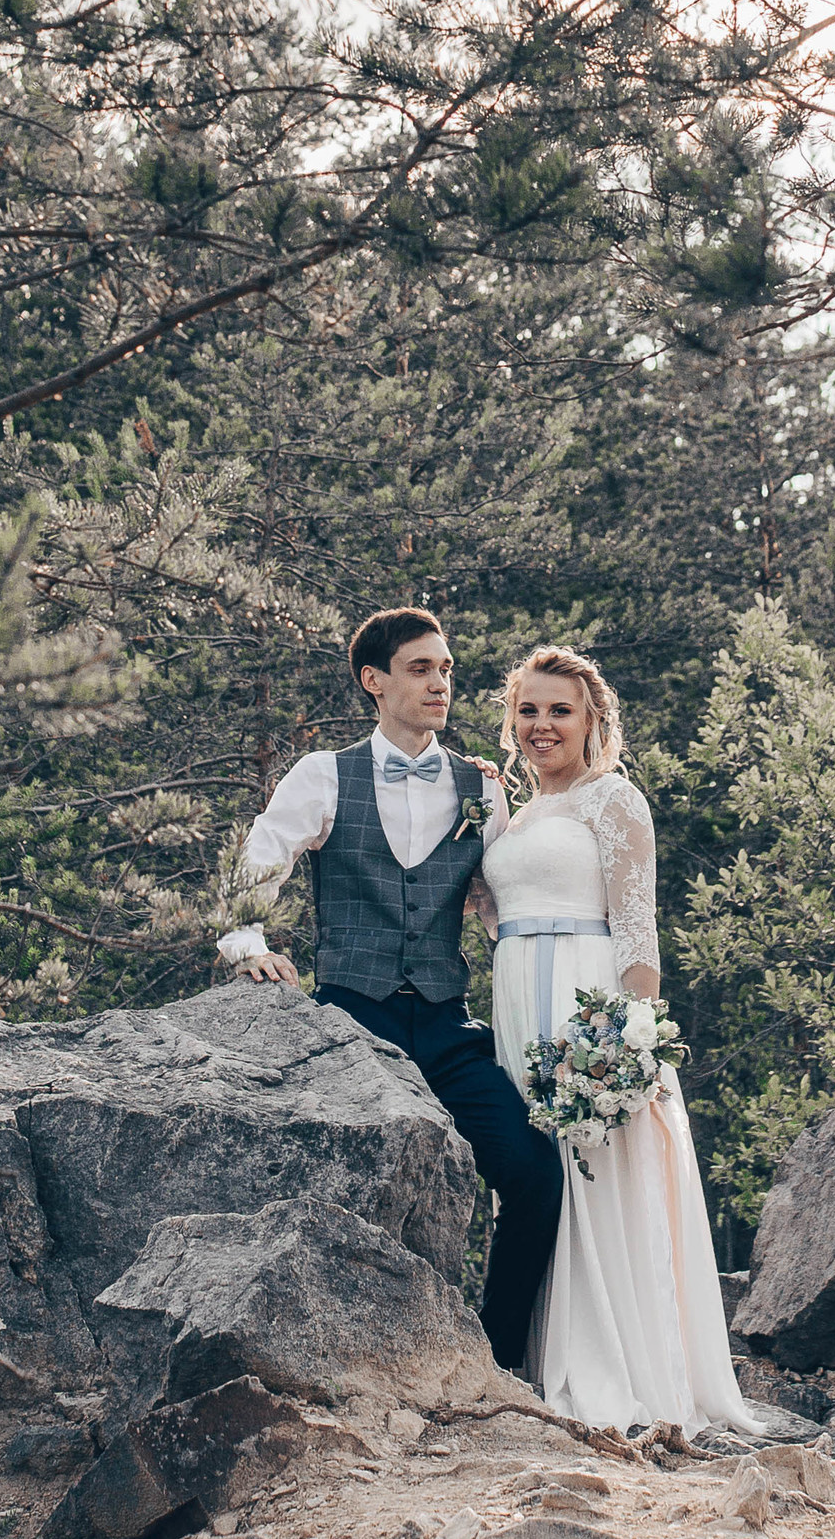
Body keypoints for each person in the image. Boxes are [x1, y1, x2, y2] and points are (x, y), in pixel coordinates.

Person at [217, 606, 566, 1371]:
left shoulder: (482, 788)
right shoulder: (323, 775)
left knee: (535, 1175)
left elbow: (499, 907)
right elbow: (256, 868)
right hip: (352, 1022)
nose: (440, 682)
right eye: (420, 668)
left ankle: (499, 1359)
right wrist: (250, 944)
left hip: (447, 1024)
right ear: (374, 681)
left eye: (445, 669)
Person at [480, 642, 757, 1438]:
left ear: (592, 718)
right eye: (527, 710)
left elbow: (638, 938)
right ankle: (538, 1360)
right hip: (517, 1001)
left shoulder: (614, 801)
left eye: (559, 710)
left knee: (599, 1174)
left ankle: (617, 1371)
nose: (541, 725)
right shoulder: (516, 813)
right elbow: (498, 911)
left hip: (586, 1008)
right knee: (537, 1184)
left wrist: (624, 1048)